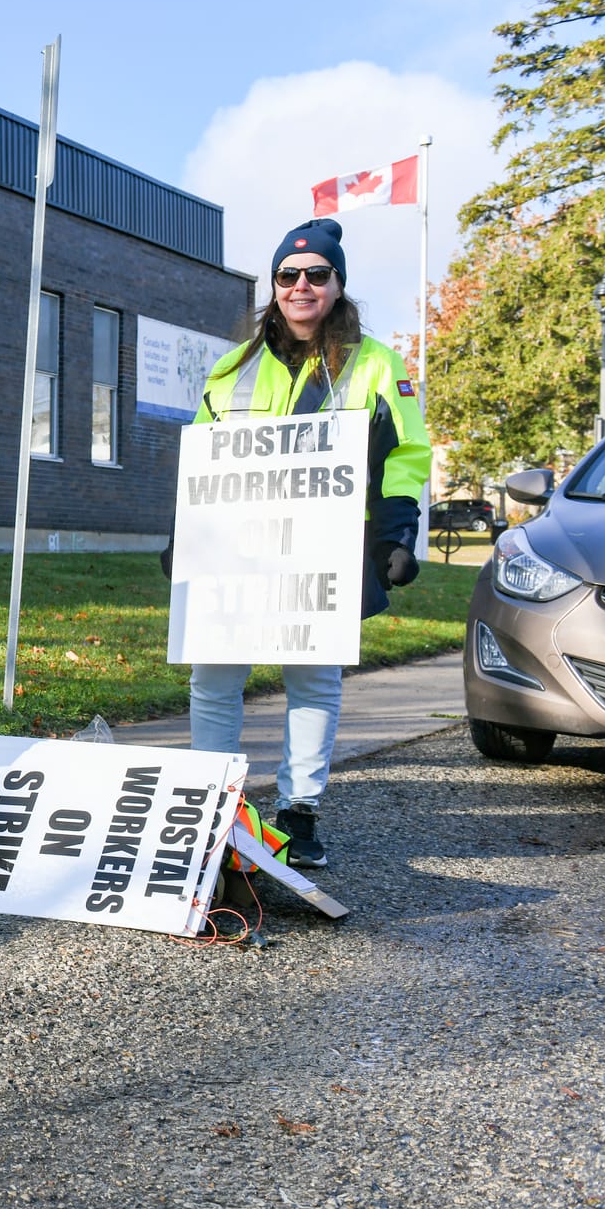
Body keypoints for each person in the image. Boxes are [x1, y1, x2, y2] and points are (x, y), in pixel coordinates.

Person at [166, 218, 430, 868]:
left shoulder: (377, 365)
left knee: (312, 678)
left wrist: (397, 533)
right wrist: (184, 535)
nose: (302, 285)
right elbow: (204, 460)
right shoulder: (232, 368)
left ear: (338, 285)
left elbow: (407, 454)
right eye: (289, 274)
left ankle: (298, 813)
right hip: (236, 547)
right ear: (275, 285)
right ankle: (213, 806)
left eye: (317, 274)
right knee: (214, 676)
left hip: (327, 549)